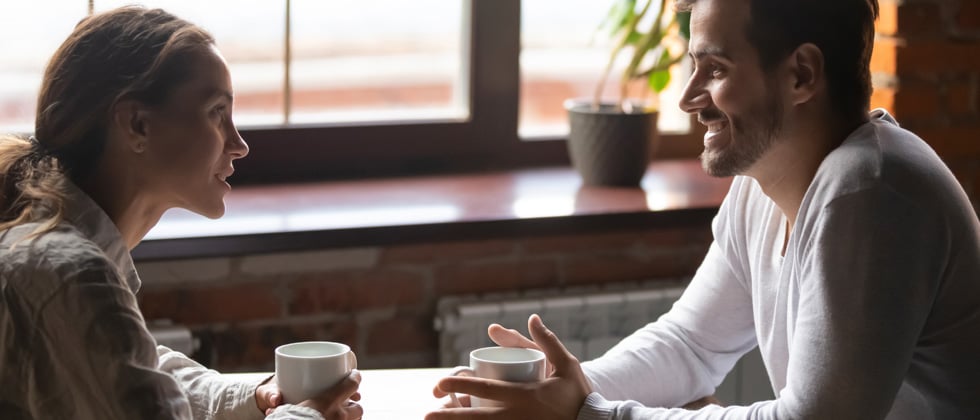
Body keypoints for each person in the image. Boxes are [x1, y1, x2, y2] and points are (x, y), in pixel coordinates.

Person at [426, 0, 980, 418]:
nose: (688, 97)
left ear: (802, 75)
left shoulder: (869, 191)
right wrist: (553, 391)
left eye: (714, 69)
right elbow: (690, 345)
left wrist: (586, 412)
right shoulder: (763, 186)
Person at [0, 7, 361, 420]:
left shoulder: (56, 251)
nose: (239, 144)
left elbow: (133, 365)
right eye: (217, 112)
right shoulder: (70, 274)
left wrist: (258, 397)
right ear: (137, 124)